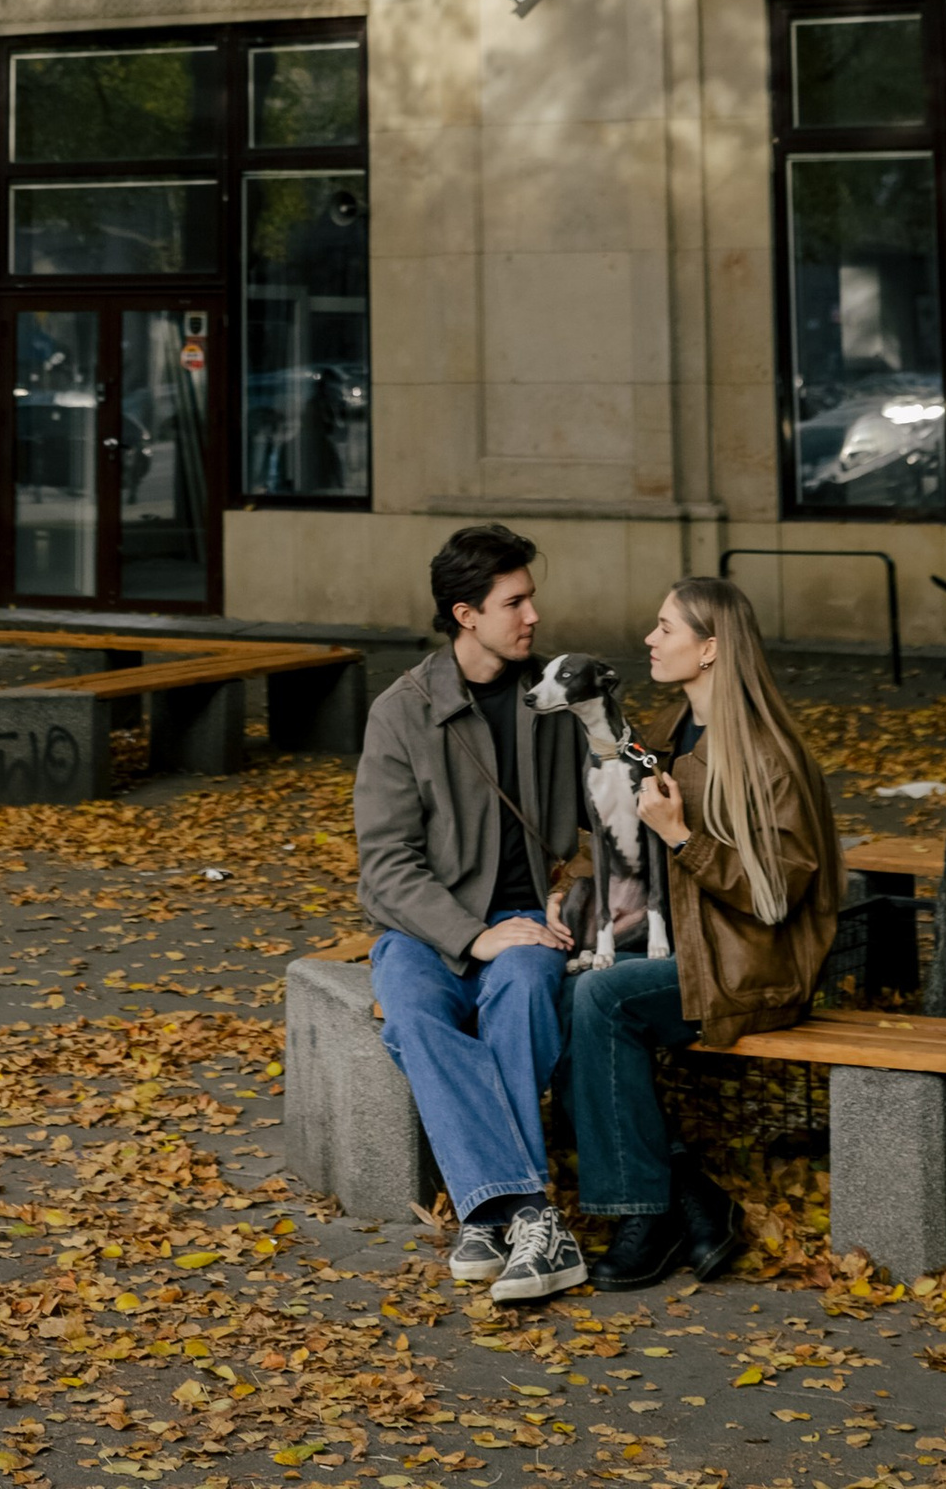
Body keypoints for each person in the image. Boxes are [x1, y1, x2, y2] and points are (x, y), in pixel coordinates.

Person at [565, 574, 844, 1286]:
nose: (650, 640)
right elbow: (613, 834)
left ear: (712, 647)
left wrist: (684, 837)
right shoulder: (661, 733)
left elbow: (777, 894)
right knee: (550, 986)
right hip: (685, 943)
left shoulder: (767, 754)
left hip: (752, 963)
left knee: (601, 1002)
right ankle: (688, 1193)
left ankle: (643, 1212)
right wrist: (570, 895)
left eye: (666, 628)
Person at [355, 523, 592, 1306]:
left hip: (531, 916)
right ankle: (529, 1211)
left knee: (524, 990)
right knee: (416, 1015)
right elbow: (385, 866)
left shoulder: (557, 702)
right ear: (465, 615)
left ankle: (488, 1219)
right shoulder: (403, 712)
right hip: (429, 928)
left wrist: (570, 888)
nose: (531, 616)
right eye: (513, 602)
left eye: (531, 599)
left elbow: (606, 827)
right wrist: (470, 933)